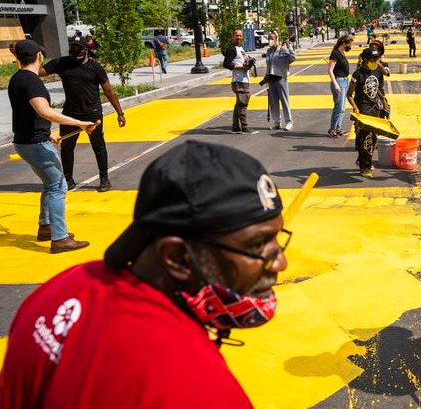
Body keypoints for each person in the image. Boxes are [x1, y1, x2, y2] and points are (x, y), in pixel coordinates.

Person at [0, 140, 289, 408]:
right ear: (177, 257)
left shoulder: (63, 287)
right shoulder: (199, 388)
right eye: (258, 245)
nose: (280, 263)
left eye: (277, 239)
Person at [7, 40, 95, 253]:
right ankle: (60, 238)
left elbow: (27, 114)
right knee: (58, 186)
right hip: (34, 144)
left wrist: (48, 134)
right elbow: (44, 111)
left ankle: (46, 228)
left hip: (29, 140)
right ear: (39, 56)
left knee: (50, 185)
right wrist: (79, 122)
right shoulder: (32, 81)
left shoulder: (17, 79)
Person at [41, 36, 126, 192]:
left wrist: (119, 112)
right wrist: (24, 59)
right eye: (72, 50)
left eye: (78, 50)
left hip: (92, 113)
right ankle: (68, 179)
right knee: (67, 147)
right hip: (69, 114)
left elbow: (109, 91)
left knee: (98, 146)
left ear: (86, 49)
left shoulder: (95, 67)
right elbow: (37, 72)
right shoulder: (61, 63)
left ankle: (104, 179)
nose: (75, 53)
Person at [347, 47, 386, 178]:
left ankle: (363, 159)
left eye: (377, 59)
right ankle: (365, 167)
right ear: (365, 59)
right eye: (373, 59)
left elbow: (376, 87)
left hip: (375, 108)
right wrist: (355, 107)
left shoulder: (376, 71)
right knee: (365, 138)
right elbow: (349, 95)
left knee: (373, 138)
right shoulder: (357, 74)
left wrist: (382, 97)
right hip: (363, 110)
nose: (375, 61)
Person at [223, 29, 255, 133]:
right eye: (237, 36)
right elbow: (226, 64)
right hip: (239, 81)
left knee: (239, 104)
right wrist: (241, 67)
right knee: (243, 105)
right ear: (233, 36)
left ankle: (236, 127)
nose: (239, 38)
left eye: (240, 36)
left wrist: (249, 63)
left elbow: (244, 61)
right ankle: (244, 127)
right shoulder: (232, 49)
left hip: (244, 80)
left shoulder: (240, 48)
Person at [264, 32, 296, 131]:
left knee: (284, 100)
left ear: (276, 39)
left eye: (272, 38)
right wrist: (266, 76)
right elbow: (269, 64)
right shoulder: (269, 51)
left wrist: (289, 45)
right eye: (269, 38)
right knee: (273, 102)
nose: (270, 40)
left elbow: (292, 58)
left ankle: (289, 122)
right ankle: (277, 122)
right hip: (271, 79)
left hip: (281, 78)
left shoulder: (282, 50)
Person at [327, 35, 353, 138]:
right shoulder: (335, 54)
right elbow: (330, 70)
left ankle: (338, 127)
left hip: (345, 81)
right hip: (339, 81)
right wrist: (336, 84)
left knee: (342, 107)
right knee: (338, 107)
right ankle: (332, 129)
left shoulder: (341, 53)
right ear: (343, 43)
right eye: (349, 44)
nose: (350, 46)